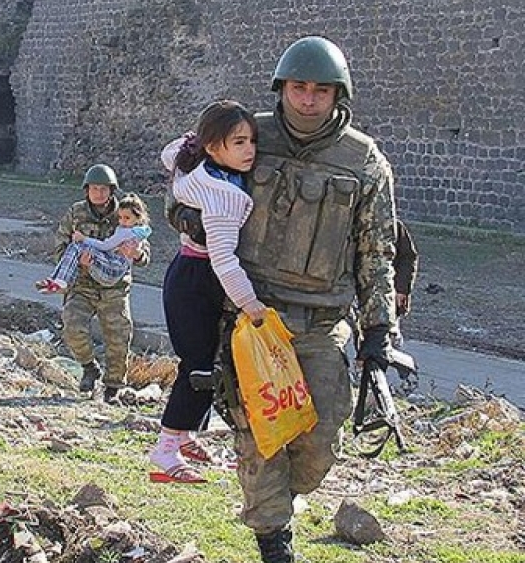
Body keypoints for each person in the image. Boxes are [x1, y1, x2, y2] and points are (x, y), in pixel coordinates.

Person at [206, 37, 398, 562]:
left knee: (317, 443)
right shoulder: (246, 136)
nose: (307, 100)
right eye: (297, 87)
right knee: (261, 438)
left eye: (320, 89)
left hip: (322, 325)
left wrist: (379, 332)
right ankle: (274, 542)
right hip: (253, 320)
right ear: (282, 88)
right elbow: (191, 178)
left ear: (339, 94)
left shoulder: (364, 162)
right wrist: (190, 217)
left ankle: (278, 499)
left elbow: (377, 252)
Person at [149, 100, 266, 484]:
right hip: (198, 281)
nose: (249, 151)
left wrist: (193, 142)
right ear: (214, 147)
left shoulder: (195, 167)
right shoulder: (222, 195)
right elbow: (224, 260)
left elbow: (171, 153)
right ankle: (165, 449)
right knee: (198, 368)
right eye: (238, 142)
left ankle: (184, 434)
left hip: (188, 274)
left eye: (251, 141)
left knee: (206, 363)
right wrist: (252, 305)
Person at [54, 164, 150, 402]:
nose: (99, 193)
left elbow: (144, 251)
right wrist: (79, 262)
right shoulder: (75, 214)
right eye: (94, 188)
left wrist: (137, 254)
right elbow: (60, 248)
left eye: (104, 189)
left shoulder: (126, 212)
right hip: (83, 285)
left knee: (118, 337)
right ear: (86, 190)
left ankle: (113, 387)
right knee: (72, 327)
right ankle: (89, 367)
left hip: (114, 287)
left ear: (112, 190)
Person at [35, 193, 152, 294]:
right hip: (87, 284)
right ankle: (57, 280)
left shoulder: (127, 231)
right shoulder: (77, 211)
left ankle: (59, 281)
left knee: (77, 246)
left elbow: (106, 246)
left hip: (114, 272)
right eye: (120, 218)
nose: (122, 221)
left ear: (138, 217)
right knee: (76, 247)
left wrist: (84, 239)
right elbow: (60, 245)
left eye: (127, 218)